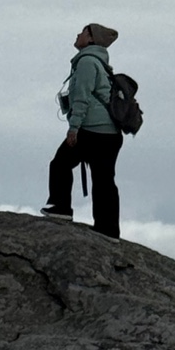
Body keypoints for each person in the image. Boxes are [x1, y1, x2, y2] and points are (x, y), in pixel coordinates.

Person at [41, 22, 123, 239]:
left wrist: (73, 128)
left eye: (83, 32)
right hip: (111, 134)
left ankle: (61, 208)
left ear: (91, 39)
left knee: (60, 164)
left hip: (91, 130)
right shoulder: (101, 62)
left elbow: (82, 98)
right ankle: (108, 229)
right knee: (104, 180)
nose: (78, 34)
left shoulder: (86, 62)